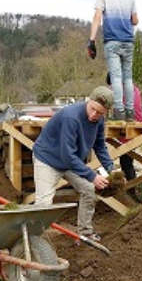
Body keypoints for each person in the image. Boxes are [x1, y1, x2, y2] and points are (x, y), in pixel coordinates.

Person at [32, 86, 116, 241]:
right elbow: (67, 155)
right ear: (88, 101)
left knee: (89, 190)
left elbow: (99, 146)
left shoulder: (99, 121)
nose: (94, 115)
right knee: (44, 203)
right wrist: (92, 176)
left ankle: (85, 233)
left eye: (99, 113)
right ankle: (35, 240)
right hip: (48, 159)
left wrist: (112, 169)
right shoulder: (71, 117)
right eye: (92, 109)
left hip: (70, 161)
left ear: (106, 112)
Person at [88, 0, 139, 121]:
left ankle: (119, 112)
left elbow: (97, 17)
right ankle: (130, 113)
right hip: (128, 41)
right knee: (128, 78)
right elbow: (135, 20)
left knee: (116, 78)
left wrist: (91, 40)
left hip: (112, 41)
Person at [105, 72, 142, 184]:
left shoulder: (117, 89)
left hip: (127, 126)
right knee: (126, 159)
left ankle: (130, 190)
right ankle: (131, 190)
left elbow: (110, 109)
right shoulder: (134, 88)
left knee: (125, 161)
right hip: (138, 125)